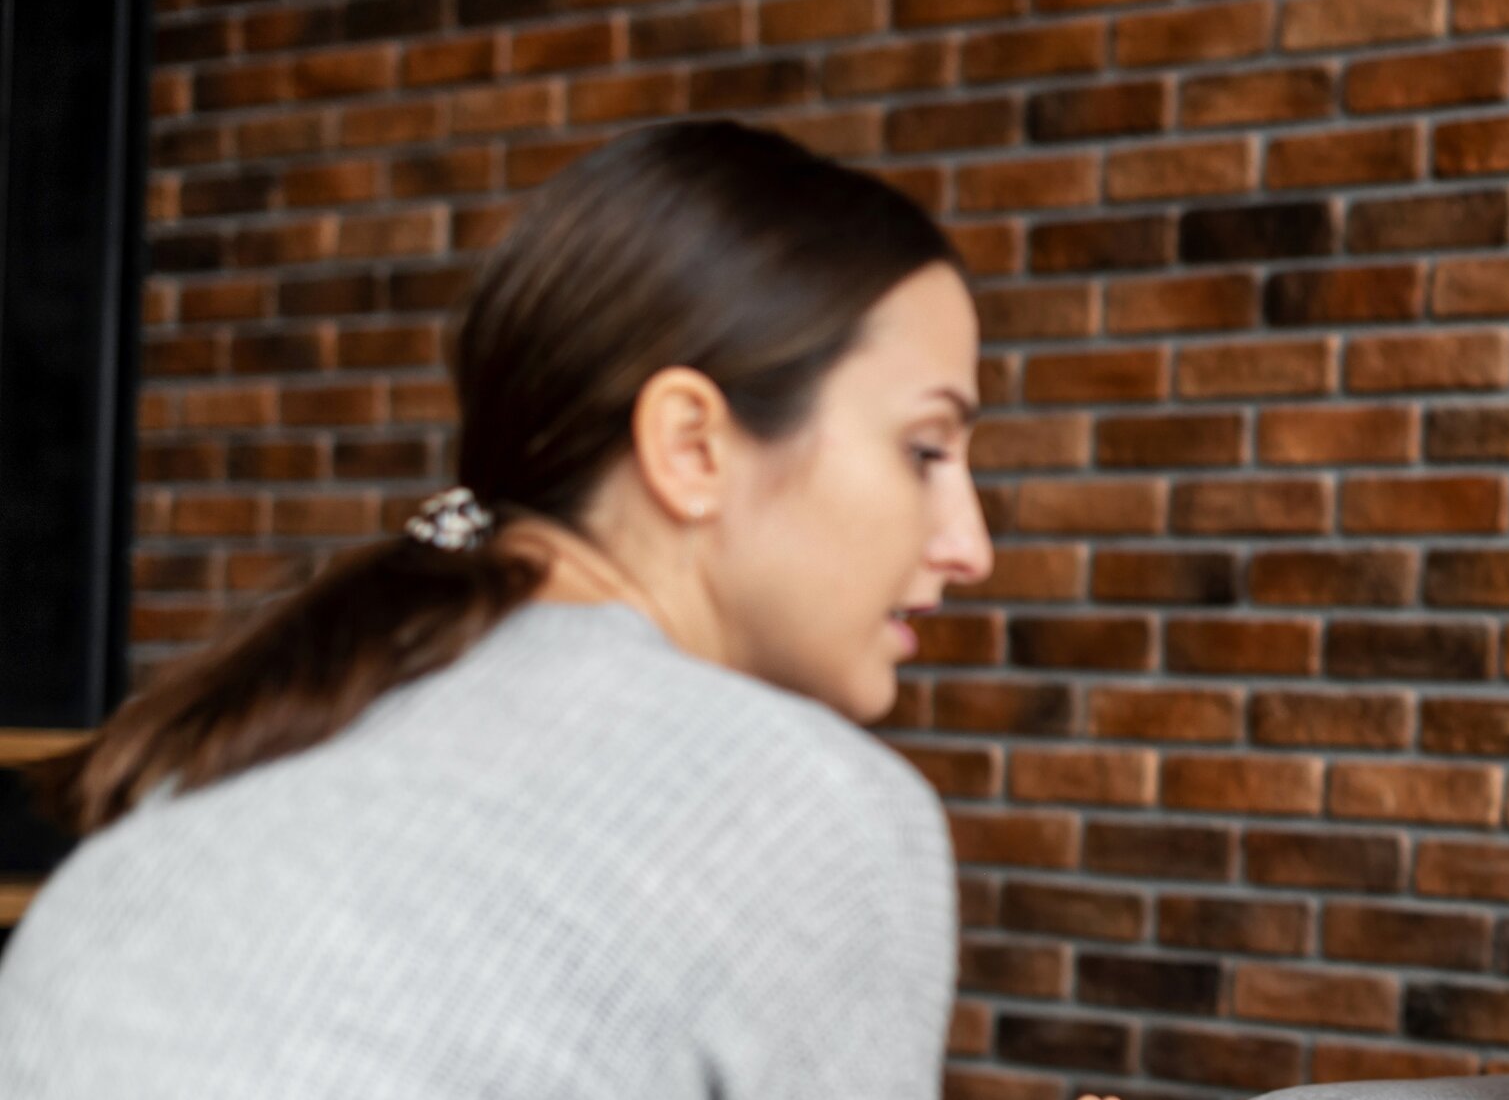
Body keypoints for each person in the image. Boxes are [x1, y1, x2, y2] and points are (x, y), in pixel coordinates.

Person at [0, 120, 991, 1099]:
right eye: (926, 450)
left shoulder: (251, 750)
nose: (969, 546)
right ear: (693, 447)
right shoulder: (809, 809)